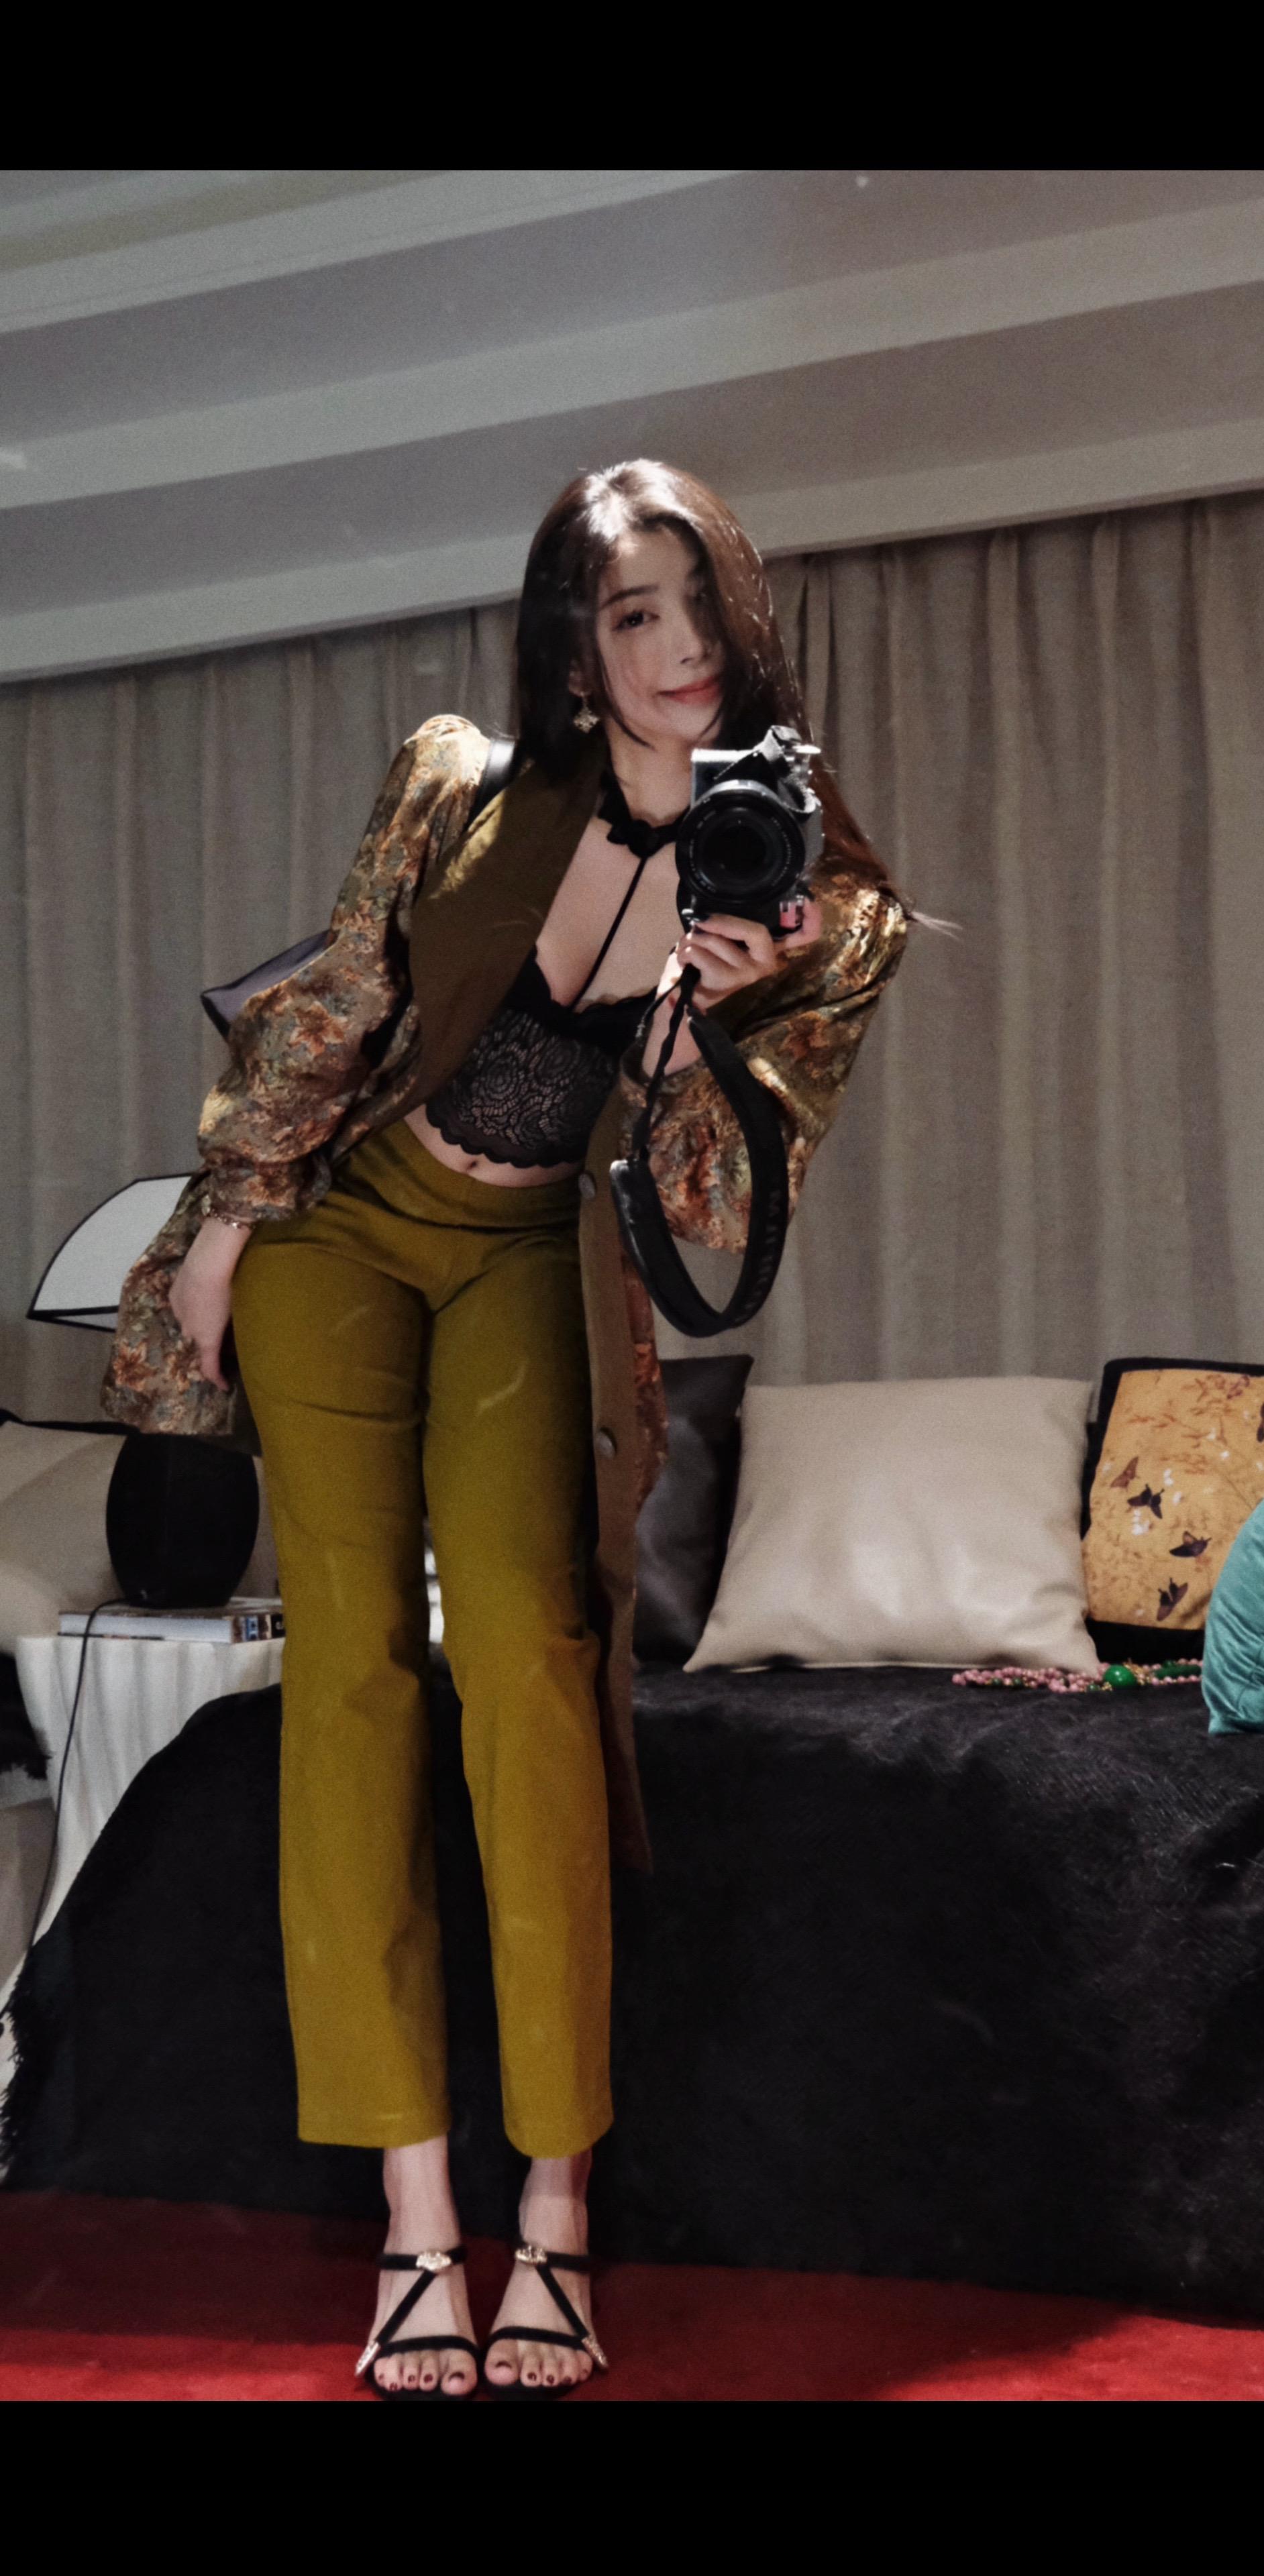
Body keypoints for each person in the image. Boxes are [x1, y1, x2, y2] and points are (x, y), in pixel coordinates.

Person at [103, 458, 911, 2400]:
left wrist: (718, 1021)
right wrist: (229, 1220)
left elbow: (709, 1216)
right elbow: (341, 996)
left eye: (702, 603)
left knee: (538, 1680)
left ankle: (552, 2219)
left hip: (530, 1262)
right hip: (342, 1232)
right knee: (351, 1674)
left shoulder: (825, 904)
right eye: (635, 615)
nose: (680, 650)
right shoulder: (460, 782)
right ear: (575, 647)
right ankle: (415, 2230)